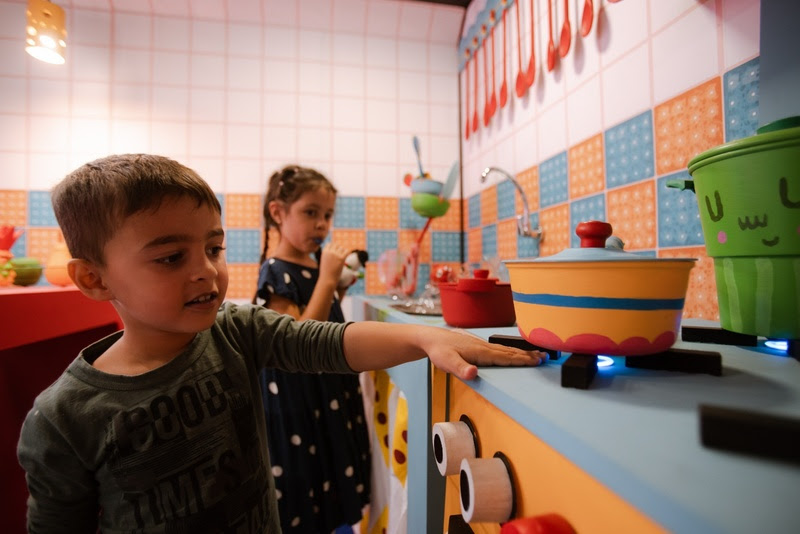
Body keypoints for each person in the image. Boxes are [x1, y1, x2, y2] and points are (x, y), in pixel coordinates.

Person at [16, 154, 548, 534]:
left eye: (214, 247)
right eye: (171, 257)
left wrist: (427, 336)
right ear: (94, 279)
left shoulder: (234, 329)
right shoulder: (62, 419)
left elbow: (327, 343)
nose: (207, 271)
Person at [252, 165, 370, 533]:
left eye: (327, 215)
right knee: (307, 482)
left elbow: (322, 315)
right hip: (298, 400)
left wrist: (336, 288)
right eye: (310, 212)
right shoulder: (275, 271)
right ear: (278, 213)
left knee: (333, 471)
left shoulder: (316, 266)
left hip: (328, 393)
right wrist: (329, 280)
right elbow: (297, 338)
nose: (321, 224)